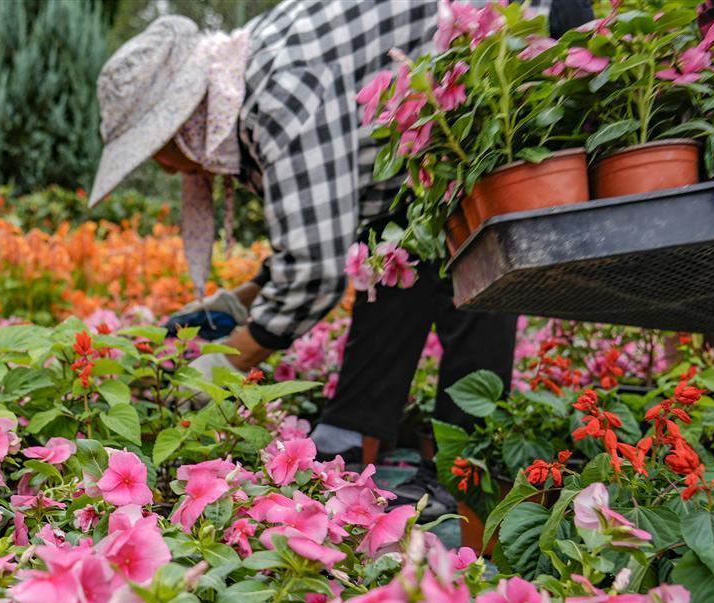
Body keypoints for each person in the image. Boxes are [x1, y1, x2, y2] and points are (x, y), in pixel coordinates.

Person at [88, 0, 595, 519]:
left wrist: (214, 373)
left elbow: (313, 273)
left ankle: (467, 477)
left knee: (478, 267)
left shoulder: (276, 92)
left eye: (154, 151)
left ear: (180, 122)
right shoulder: (246, 76)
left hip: (520, 52)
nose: (168, 171)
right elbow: (333, 227)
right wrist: (235, 305)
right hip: (425, 169)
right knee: (390, 256)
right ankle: (360, 444)